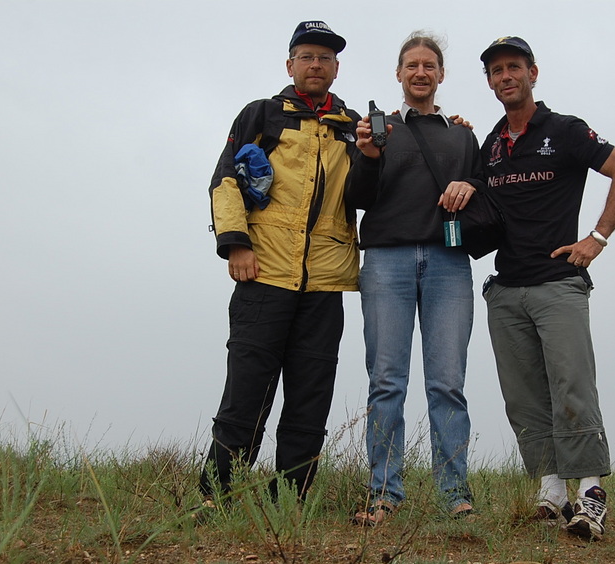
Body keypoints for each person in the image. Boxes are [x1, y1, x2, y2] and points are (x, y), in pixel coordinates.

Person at [460, 36, 615, 540]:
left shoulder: (565, 129)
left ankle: (591, 493)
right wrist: (457, 132)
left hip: (559, 283)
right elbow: (469, 188)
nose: (505, 77)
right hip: (506, 289)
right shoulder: (492, 142)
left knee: (572, 387)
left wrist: (596, 239)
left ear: (533, 73)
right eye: (496, 71)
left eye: (513, 67)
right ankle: (552, 488)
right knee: (523, 398)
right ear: (490, 81)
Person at [199, 20, 361, 506]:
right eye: (307, 56)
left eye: (325, 58)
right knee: (246, 393)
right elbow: (225, 179)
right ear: (290, 64)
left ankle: (287, 504)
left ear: (336, 68)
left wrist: (449, 125)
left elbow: (379, 183)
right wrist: (236, 244)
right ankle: (216, 500)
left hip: (325, 282)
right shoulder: (261, 114)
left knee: (311, 400)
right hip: (263, 272)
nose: (316, 64)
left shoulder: (353, 127)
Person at [346, 32, 483, 525]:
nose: (420, 72)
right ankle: (383, 493)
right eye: (411, 65)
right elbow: (357, 197)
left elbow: (484, 189)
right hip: (386, 261)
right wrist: (368, 155)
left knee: (447, 383)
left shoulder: (463, 135)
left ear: (441, 75)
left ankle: (455, 495)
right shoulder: (374, 131)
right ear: (398, 74)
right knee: (386, 382)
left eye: (429, 65)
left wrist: (471, 182)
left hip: (449, 264)